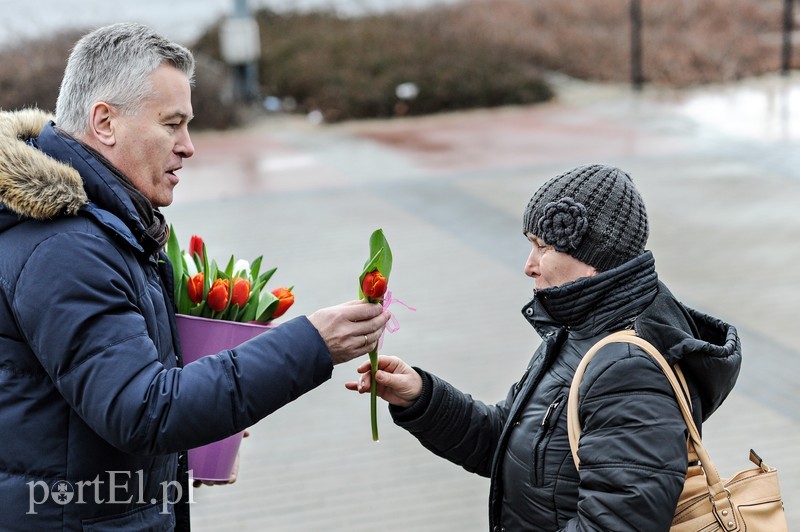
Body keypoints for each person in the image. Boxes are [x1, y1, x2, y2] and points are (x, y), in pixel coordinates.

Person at [0, 23, 388, 530]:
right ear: (105, 122)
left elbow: (97, 405)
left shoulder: (99, 223)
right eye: (172, 124)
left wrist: (184, 454)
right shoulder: (66, 246)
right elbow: (143, 412)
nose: (188, 146)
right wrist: (312, 343)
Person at [347, 163, 742, 531]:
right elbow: (510, 443)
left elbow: (615, 524)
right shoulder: (580, 331)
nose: (529, 265)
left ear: (592, 257)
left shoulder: (628, 368)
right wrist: (421, 397)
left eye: (543, 247)